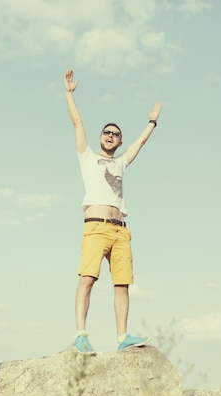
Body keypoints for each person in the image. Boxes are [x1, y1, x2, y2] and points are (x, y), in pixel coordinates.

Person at [64, 69, 162, 355]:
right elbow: (77, 122)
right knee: (87, 279)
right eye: (106, 133)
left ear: (119, 142)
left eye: (115, 135)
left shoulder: (121, 162)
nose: (110, 136)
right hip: (95, 227)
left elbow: (140, 144)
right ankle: (81, 334)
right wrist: (69, 95)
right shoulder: (87, 158)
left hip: (120, 232)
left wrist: (152, 122)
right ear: (100, 138)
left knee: (122, 284)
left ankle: (122, 337)